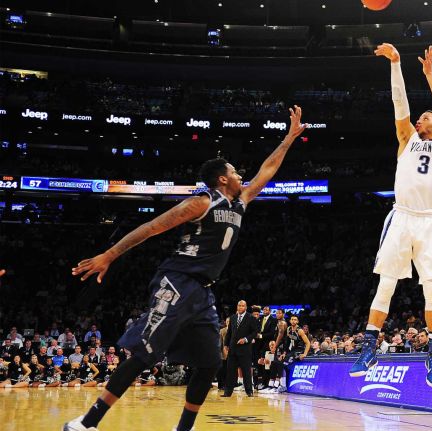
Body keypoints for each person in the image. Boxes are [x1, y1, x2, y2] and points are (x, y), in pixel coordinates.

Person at [63, 106, 307, 431]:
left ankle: (185, 428)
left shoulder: (241, 202)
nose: (240, 176)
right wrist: (109, 254)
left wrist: (289, 138)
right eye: (235, 172)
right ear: (222, 178)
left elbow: (269, 168)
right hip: (177, 281)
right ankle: (87, 422)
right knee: (144, 353)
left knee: (210, 363)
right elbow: (152, 227)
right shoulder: (202, 202)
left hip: (203, 291)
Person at [350, 43, 432, 390]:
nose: (419, 120)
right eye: (420, 118)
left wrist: (429, 75)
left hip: (429, 219)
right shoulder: (407, 140)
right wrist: (395, 65)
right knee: (386, 282)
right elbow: (399, 105)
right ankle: (369, 348)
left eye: (426, 118)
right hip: (400, 216)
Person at [222, 300, 259, 397]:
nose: (240, 307)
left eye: (242, 306)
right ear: (237, 307)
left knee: (246, 371)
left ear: (246, 307)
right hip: (233, 348)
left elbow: (255, 332)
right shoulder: (233, 318)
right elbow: (229, 332)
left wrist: (246, 339)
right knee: (230, 371)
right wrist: (226, 344)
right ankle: (227, 392)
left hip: (245, 349)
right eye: (239, 305)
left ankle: (249, 392)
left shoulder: (251, 318)